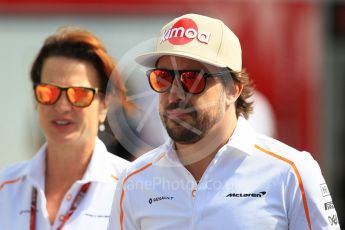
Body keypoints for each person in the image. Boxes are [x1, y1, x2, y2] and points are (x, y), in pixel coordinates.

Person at [108, 13, 340, 229]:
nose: (175, 93)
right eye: (164, 78)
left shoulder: (292, 171)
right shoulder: (133, 180)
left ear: (234, 89)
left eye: (193, 78)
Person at [0, 27, 131, 229]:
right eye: (49, 92)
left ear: (104, 105)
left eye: (79, 94)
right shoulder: (5, 188)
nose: (61, 106)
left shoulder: (131, 188)